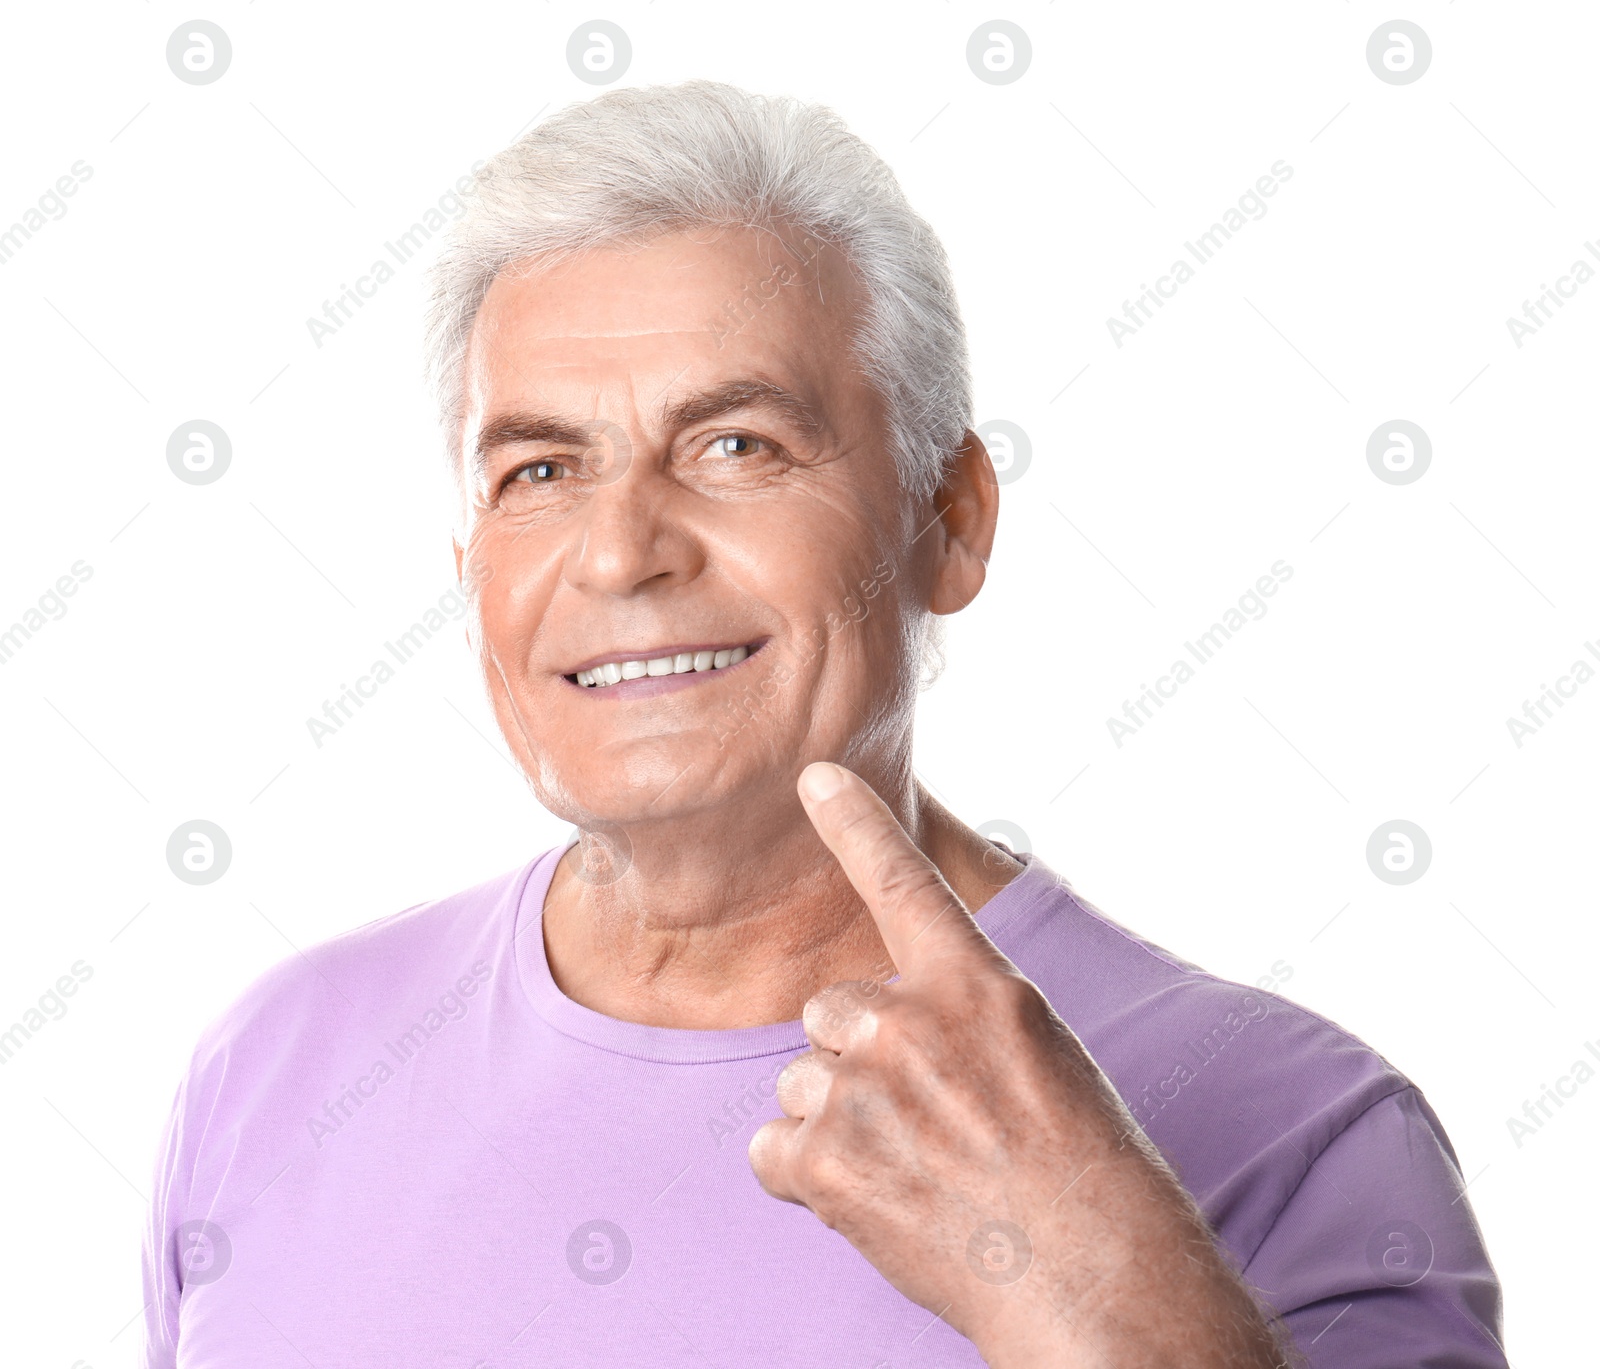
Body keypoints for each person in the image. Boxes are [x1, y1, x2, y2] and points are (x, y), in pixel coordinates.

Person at [142, 80, 1505, 1367]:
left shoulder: (1302, 1133)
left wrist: (1106, 1294)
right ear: (470, 570)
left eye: (736, 445)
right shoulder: (273, 1069)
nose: (620, 554)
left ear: (950, 520)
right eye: (541, 469)